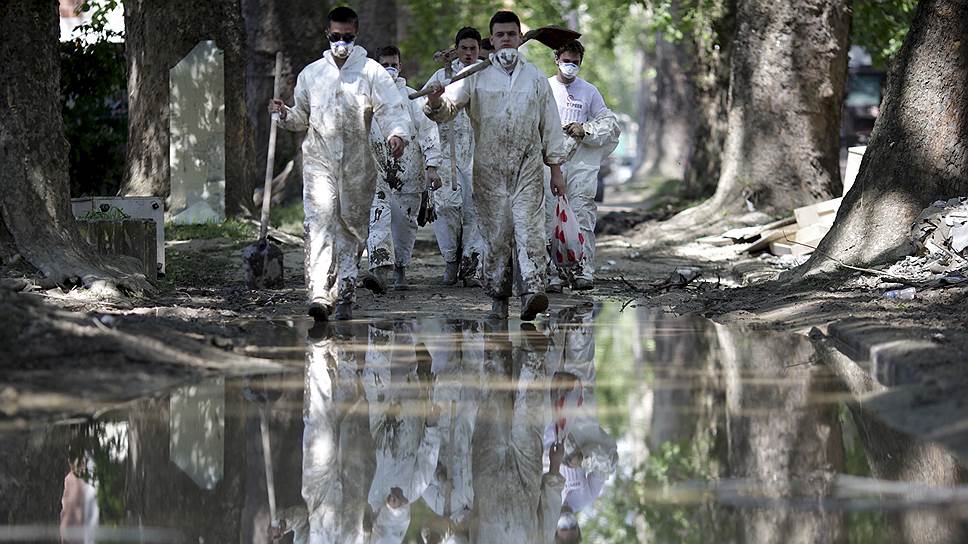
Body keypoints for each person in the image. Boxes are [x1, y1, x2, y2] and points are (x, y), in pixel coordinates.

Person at [269, 6, 411, 322]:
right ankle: (320, 293)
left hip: (359, 165)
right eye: (336, 36)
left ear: (356, 34)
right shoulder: (311, 74)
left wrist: (397, 134)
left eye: (347, 36)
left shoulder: (372, 72)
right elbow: (300, 117)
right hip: (319, 161)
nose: (341, 42)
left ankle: (345, 291)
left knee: (352, 228)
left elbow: (393, 109)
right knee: (318, 224)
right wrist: (283, 114)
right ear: (327, 34)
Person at [425, 11, 568, 321]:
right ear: (492, 40)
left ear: (519, 38)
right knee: (497, 235)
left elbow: (551, 125)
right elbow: (447, 109)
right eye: (500, 34)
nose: (506, 38)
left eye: (511, 34)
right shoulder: (476, 75)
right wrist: (436, 101)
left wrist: (555, 168)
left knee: (529, 231)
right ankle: (499, 297)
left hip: (527, 169)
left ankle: (531, 291)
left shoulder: (535, 77)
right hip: (488, 171)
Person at [364, 45, 443, 292]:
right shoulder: (367, 99)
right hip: (376, 172)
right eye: (385, 63)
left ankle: (400, 270)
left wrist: (432, 166)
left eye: (394, 64)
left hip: (409, 173)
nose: (390, 68)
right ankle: (378, 270)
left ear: (400, 66)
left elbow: (429, 131)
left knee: (404, 224)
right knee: (377, 220)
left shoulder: (413, 98)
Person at [544, 40, 620, 293]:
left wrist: (584, 130)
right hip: (548, 160)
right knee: (548, 216)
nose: (570, 66)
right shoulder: (544, 87)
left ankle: (583, 271)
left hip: (579, 163)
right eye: (566, 61)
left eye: (575, 63)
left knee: (582, 214)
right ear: (557, 59)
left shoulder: (589, 91)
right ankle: (552, 274)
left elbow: (608, 122)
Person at [422, 27, 486, 287]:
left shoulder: (487, 72)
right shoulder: (441, 75)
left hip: (479, 152)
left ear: (479, 50)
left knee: (477, 211)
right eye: (464, 48)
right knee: (446, 206)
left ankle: (471, 267)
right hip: (447, 153)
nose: (469, 53)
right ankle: (450, 259)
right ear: (456, 49)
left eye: (473, 49)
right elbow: (425, 111)